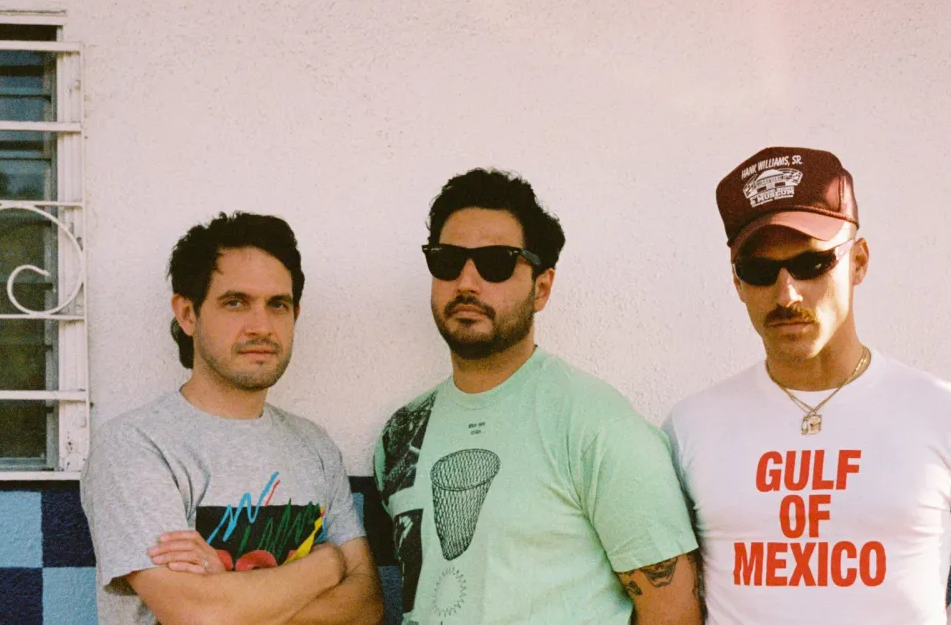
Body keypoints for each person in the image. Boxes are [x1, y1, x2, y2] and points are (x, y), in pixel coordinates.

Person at [374, 169, 702, 624]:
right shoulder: (402, 433)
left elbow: (672, 612)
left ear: (541, 288)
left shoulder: (596, 425)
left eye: (496, 262)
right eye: (447, 260)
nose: (466, 281)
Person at [664, 147, 951, 624]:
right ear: (737, 283)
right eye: (759, 271)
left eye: (812, 264)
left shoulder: (937, 412)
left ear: (859, 261)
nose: (786, 293)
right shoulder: (692, 427)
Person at [82, 212, 384, 625]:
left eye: (278, 305)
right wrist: (326, 565)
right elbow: (199, 614)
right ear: (188, 314)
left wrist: (226, 590)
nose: (261, 326)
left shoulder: (314, 445)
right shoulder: (136, 445)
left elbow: (367, 606)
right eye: (236, 303)